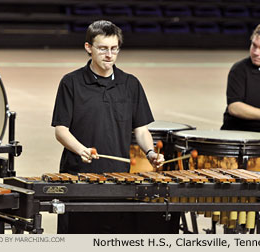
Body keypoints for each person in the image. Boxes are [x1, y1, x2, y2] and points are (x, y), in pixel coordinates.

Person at [51, 20, 179, 233]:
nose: (109, 55)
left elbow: (141, 129)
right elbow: (61, 130)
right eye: (102, 49)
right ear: (88, 48)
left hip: (118, 179)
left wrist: (150, 152)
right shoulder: (71, 83)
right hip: (79, 176)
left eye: (114, 49)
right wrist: (80, 149)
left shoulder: (130, 84)